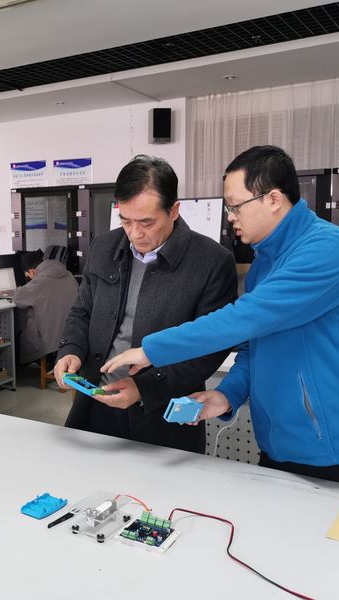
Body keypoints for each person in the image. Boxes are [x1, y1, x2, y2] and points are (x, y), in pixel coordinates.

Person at [102, 145, 339, 491]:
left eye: (235, 206)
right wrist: (226, 395)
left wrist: (151, 350)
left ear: (273, 199)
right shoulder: (264, 265)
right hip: (280, 446)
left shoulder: (330, 249)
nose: (230, 216)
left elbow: (245, 318)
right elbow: (252, 349)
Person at [54, 155, 238, 453]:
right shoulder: (104, 247)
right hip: (96, 400)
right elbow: (82, 310)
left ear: (174, 210)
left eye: (146, 222)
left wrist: (144, 388)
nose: (135, 233)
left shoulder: (212, 262)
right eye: (126, 221)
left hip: (162, 411)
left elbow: (209, 349)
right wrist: (70, 350)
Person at [13, 250, 79, 366]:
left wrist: (18, 288)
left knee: (19, 324)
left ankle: (16, 369)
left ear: (32, 271)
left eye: (28, 276)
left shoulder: (39, 282)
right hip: (72, 332)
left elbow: (17, 299)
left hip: (51, 340)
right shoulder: (68, 274)